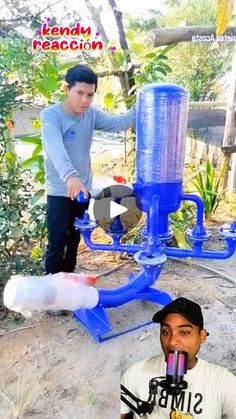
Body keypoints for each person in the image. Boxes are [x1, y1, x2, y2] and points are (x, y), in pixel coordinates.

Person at [41, 64, 136, 274]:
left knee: (75, 238)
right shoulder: (51, 116)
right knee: (57, 242)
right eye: (80, 93)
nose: (85, 100)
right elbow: (55, 148)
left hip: (82, 191)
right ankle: (51, 289)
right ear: (67, 89)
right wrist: (70, 177)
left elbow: (117, 123)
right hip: (60, 190)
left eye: (90, 95)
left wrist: (142, 108)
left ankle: (68, 282)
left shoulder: (90, 114)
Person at [121, 297, 236, 419]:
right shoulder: (135, 374)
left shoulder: (224, 382)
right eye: (166, 331)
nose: (172, 342)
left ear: (202, 336)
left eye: (184, 332)